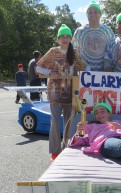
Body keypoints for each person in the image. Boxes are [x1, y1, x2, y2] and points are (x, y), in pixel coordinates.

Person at [36, 24, 85, 161]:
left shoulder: (74, 53)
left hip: (71, 94)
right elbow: (38, 68)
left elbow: (85, 69)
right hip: (55, 94)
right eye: (62, 36)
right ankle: (55, 151)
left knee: (70, 123)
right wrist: (50, 72)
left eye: (67, 36)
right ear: (58, 39)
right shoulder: (52, 52)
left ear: (70, 38)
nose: (65, 39)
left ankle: (68, 148)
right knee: (55, 123)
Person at [72, 1, 115, 71]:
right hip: (83, 73)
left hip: (103, 74)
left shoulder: (108, 31)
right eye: (90, 12)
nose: (93, 14)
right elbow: (74, 50)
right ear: (87, 15)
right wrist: (81, 66)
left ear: (100, 14)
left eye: (96, 12)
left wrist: (107, 66)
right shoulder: (79, 32)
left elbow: (111, 50)